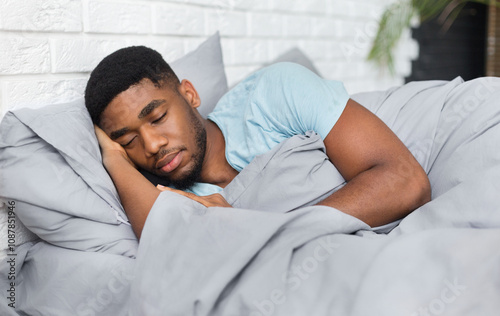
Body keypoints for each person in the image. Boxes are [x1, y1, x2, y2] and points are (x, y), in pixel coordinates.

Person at [85, 46, 431, 239]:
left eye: (158, 118)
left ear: (189, 94)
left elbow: (406, 181)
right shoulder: (166, 195)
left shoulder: (273, 92)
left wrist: (263, 230)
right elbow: (164, 247)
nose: (152, 145)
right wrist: (114, 159)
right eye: (129, 140)